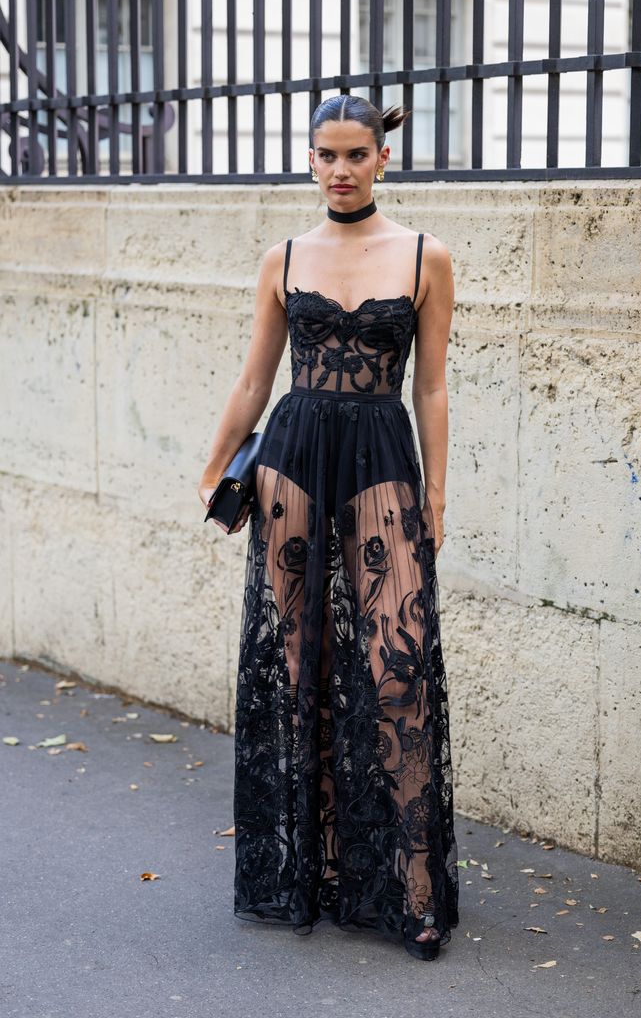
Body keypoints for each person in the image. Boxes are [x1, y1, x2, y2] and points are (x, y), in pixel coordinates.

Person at [198, 93, 460, 961]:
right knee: (295, 664)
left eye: (355, 155)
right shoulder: (282, 257)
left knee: (397, 671)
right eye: (324, 155)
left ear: (384, 158)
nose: (339, 170)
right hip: (294, 457)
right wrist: (215, 462)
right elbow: (252, 378)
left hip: (381, 454)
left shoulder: (426, 256)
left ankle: (413, 891)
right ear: (309, 160)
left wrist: (439, 492)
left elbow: (429, 385)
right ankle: (305, 877)